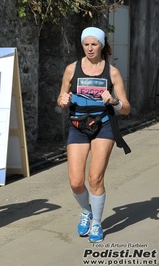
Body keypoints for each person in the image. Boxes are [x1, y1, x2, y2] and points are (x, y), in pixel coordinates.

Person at [57, 27, 131, 243]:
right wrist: (63, 102)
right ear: (83, 45)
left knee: (95, 178)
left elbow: (126, 108)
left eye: (94, 44)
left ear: (101, 45)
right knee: (75, 182)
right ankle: (86, 210)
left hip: (103, 126)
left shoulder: (112, 72)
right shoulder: (71, 69)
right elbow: (61, 99)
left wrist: (114, 101)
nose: (90, 48)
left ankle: (97, 223)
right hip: (78, 126)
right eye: (86, 44)